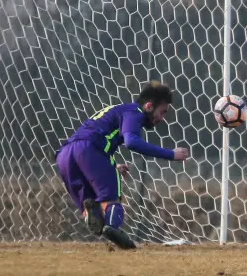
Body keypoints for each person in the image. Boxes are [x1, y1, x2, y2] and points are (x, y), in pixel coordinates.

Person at [55, 82, 190, 249]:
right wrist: (171, 154)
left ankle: (92, 211)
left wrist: (107, 167)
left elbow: (92, 138)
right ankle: (112, 227)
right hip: (91, 150)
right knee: (113, 202)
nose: (161, 118)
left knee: (92, 203)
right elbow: (131, 142)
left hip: (65, 155)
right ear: (148, 106)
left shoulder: (119, 109)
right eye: (162, 112)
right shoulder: (135, 112)